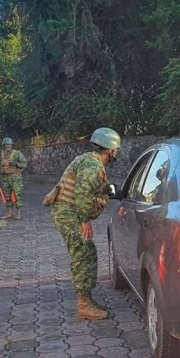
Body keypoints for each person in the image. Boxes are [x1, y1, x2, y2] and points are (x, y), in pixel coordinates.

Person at [50, 127, 120, 320]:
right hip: (70, 214)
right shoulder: (93, 166)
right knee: (83, 255)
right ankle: (83, 305)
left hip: (68, 212)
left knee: (87, 253)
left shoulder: (89, 160)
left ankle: (86, 299)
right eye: (115, 149)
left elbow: (92, 189)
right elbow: (82, 195)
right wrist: (84, 221)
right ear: (110, 150)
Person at [0, 137, 28, 220]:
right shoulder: (1, 154)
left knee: (18, 195)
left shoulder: (17, 154)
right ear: (4, 145)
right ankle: (9, 213)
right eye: (6, 145)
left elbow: (24, 164)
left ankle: (19, 213)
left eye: (9, 144)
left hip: (15, 178)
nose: (8, 146)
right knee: (7, 196)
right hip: (4, 178)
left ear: (12, 145)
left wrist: (17, 164)